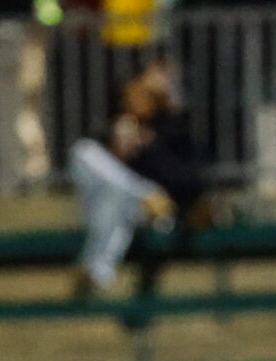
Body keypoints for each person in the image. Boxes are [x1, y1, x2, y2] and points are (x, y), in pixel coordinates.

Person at [68, 60, 208, 297]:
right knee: (86, 156)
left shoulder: (169, 132)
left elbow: (186, 180)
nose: (137, 97)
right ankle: (98, 274)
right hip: (123, 205)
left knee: (116, 196)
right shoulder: (112, 124)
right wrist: (119, 150)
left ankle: (97, 273)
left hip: (157, 215)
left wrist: (146, 147)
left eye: (149, 94)